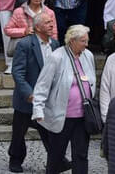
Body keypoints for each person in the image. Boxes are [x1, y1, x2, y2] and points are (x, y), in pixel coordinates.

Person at [8, 12, 70, 173]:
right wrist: (28, 93)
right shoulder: (26, 44)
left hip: (47, 99)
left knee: (49, 131)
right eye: (47, 22)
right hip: (27, 99)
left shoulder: (56, 45)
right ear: (37, 27)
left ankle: (57, 159)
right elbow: (18, 72)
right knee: (19, 133)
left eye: (52, 22)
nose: (51, 25)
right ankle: (15, 159)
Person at [32, 25, 96, 174]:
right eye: (83, 41)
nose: (86, 44)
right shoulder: (56, 57)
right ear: (72, 41)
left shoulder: (88, 55)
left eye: (87, 41)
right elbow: (42, 85)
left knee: (81, 155)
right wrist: (38, 109)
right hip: (61, 116)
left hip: (83, 116)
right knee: (56, 155)